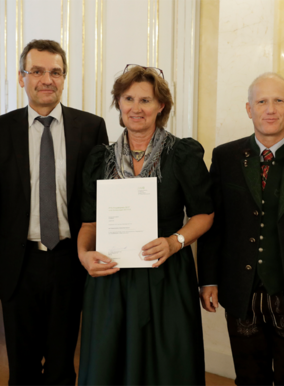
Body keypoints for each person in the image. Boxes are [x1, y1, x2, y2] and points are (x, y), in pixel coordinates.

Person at [76, 64, 214, 386]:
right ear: (118, 103)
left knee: (166, 369)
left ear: (161, 106)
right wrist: (84, 254)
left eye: (146, 100)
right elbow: (89, 222)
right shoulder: (99, 158)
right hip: (110, 280)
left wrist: (175, 241)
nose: (136, 108)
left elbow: (204, 214)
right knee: (109, 368)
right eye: (128, 99)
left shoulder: (182, 154)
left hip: (165, 276)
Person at [198, 72, 284, 386]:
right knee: (249, 378)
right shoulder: (225, 158)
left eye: (278, 101)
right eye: (262, 101)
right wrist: (208, 279)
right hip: (241, 292)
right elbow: (214, 226)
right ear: (249, 109)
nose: (270, 109)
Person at [0, 39, 108, 385]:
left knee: (61, 366)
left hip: (71, 261)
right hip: (18, 265)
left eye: (55, 72)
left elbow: (101, 198)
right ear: (21, 77)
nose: (46, 79)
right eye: (36, 71)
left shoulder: (91, 127)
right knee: (21, 368)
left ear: (64, 78)